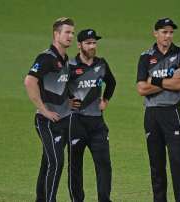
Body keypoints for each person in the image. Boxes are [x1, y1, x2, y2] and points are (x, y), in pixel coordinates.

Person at [136, 18, 180, 202]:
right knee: (156, 164)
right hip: (151, 115)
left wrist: (155, 81)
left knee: (177, 162)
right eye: (164, 32)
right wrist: (170, 82)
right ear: (155, 33)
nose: (168, 36)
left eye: (171, 32)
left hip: (172, 113)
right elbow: (141, 89)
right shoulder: (146, 57)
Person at [24, 17, 75, 202]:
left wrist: (71, 101)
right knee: (56, 162)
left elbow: (62, 86)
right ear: (56, 34)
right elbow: (30, 81)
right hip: (46, 121)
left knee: (47, 161)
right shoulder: (46, 57)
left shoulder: (65, 59)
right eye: (67, 32)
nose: (71, 36)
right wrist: (43, 110)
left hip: (61, 119)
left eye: (72, 33)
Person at [67, 29, 116, 202]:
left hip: (97, 124)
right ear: (79, 45)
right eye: (88, 43)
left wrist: (106, 100)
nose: (92, 46)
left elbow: (111, 82)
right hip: (76, 122)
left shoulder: (101, 64)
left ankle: (104, 199)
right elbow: (57, 88)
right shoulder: (70, 66)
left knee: (104, 165)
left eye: (94, 43)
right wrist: (68, 102)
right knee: (75, 166)